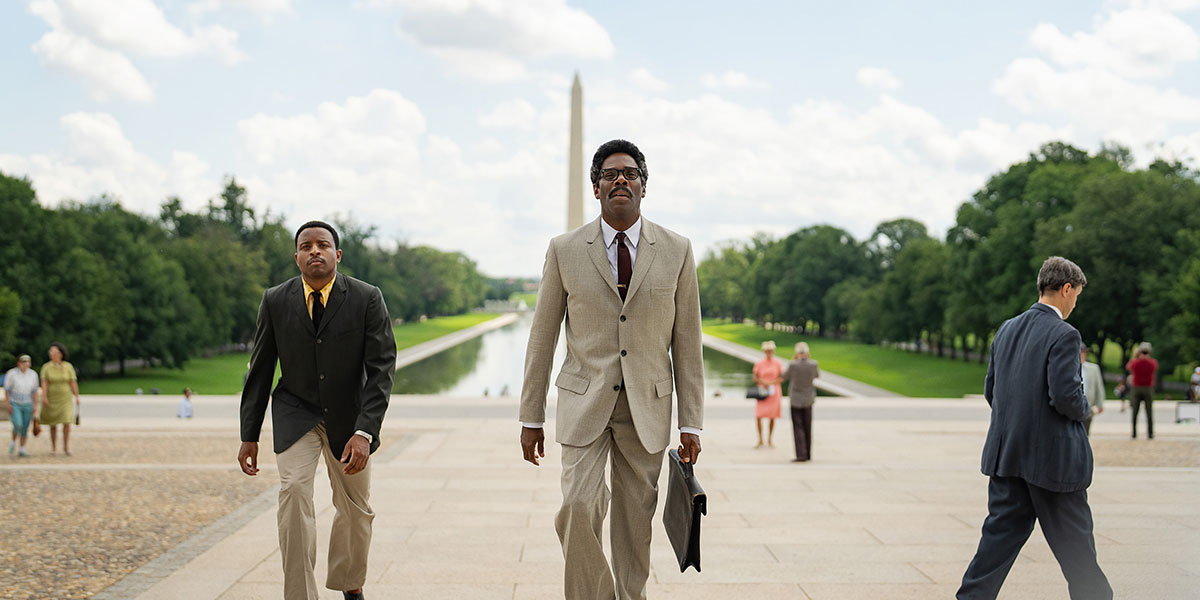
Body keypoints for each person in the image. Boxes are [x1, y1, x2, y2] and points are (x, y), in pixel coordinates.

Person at [520, 139, 704, 600]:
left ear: (644, 186)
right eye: (609, 174)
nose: (619, 179)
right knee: (577, 508)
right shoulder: (564, 249)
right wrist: (531, 416)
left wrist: (691, 422)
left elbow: (688, 343)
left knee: (633, 523)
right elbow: (542, 337)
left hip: (648, 406)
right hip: (585, 401)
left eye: (629, 173)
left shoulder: (677, 250)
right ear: (596, 188)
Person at [238, 220, 397, 600]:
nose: (314, 251)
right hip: (297, 414)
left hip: (350, 417)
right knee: (293, 493)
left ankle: (348, 582)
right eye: (306, 246)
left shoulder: (366, 297)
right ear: (296, 258)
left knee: (356, 509)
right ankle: (299, 594)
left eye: (322, 245)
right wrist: (249, 434)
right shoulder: (275, 300)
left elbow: (382, 368)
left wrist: (365, 431)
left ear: (337, 255)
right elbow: (259, 370)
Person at [958, 256, 1111, 600]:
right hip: (1053, 462)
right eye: (1077, 296)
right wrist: (1086, 408)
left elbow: (991, 391)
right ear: (1066, 289)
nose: (1075, 304)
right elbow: (1066, 397)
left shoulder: (1007, 329)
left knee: (996, 545)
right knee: (1077, 549)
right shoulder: (1065, 334)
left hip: (1007, 456)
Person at [40, 342, 79, 456]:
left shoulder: (68, 366)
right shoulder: (46, 367)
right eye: (51, 351)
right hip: (52, 397)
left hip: (65, 397)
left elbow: (72, 381)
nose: (52, 353)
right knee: (53, 423)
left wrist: (76, 396)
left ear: (61, 353)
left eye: (54, 351)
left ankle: (66, 446)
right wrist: (44, 396)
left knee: (67, 421)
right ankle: (53, 447)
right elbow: (44, 383)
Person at [784, 341, 819, 462]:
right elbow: (816, 375)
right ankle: (808, 453)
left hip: (796, 399)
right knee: (808, 426)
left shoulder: (793, 364)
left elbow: (785, 376)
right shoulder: (814, 364)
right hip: (808, 398)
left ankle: (801, 454)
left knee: (798, 426)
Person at [4, 355, 40, 457]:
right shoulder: (12, 374)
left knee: (25, 426)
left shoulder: (33, 375)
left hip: (28, 403)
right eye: (23, 362)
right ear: (18, 363)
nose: (25, 364)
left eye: (27, 362)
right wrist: (8, 403)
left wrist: (35, 405)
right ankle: (13, 441)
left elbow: (34, 391)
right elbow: (7, 389)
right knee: (18, 424)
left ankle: (22, 448)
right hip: (15, 402)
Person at [752, 340, 784, 448]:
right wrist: (763, 382)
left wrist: (771, 383)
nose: (769, 352)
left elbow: (781, 377)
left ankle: (770, 439)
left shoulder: (777, 363)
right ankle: (760, 438)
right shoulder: (759, 363)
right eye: (767, 351)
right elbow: (755, 377)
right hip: (763, 391)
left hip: (774, 391)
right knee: (759, 415)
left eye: (770, 351)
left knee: (772, 416)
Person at [1126, 342, 1158, 439]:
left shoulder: (1135, 362)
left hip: (1137, 387)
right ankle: (1150, 433)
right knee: (1149, 412)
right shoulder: (1153, 362)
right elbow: (1155, 368)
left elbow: (1128, 367)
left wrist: (1136, 356)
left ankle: (1134, 432)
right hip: (1148, 388)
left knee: (1135, 412)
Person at [1080, 345, 1105, 436]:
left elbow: (1098, 386)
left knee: (1086, 432)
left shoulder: (1093, 368)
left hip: (1088, 404)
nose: (1082, 355)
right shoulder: (1070, 368)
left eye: (1083, 353)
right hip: (1075, 403)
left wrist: (1100, 403)